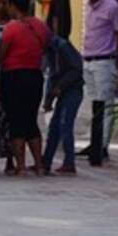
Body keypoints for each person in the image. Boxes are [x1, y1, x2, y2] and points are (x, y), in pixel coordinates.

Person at [0, 0, 51, 175]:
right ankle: (39, 164)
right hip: (35, 75)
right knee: (30, 120)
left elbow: (0, 55)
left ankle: (20, 166)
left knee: (16, 121)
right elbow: (45, 47)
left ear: (13, 6)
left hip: (14, 77)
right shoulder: (41, 26)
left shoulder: (11, 28)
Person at [81, 0, 118, 166]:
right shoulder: (88, 6)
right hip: (88, 59)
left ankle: (102, 145)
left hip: (104, 60)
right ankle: (94, 141)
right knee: (94, 103)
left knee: (105, 105)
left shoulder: (112, 7)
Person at [42, 34, 85, 176]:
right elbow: (51, 75)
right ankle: (46, 161)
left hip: (72, 90)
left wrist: (60, 86)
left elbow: (76, 69)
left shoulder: (61, 46)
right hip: (63, 89)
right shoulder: (50, 51)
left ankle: (69, 162)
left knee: (65, 123)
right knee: (55, 126)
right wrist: (48, 99)